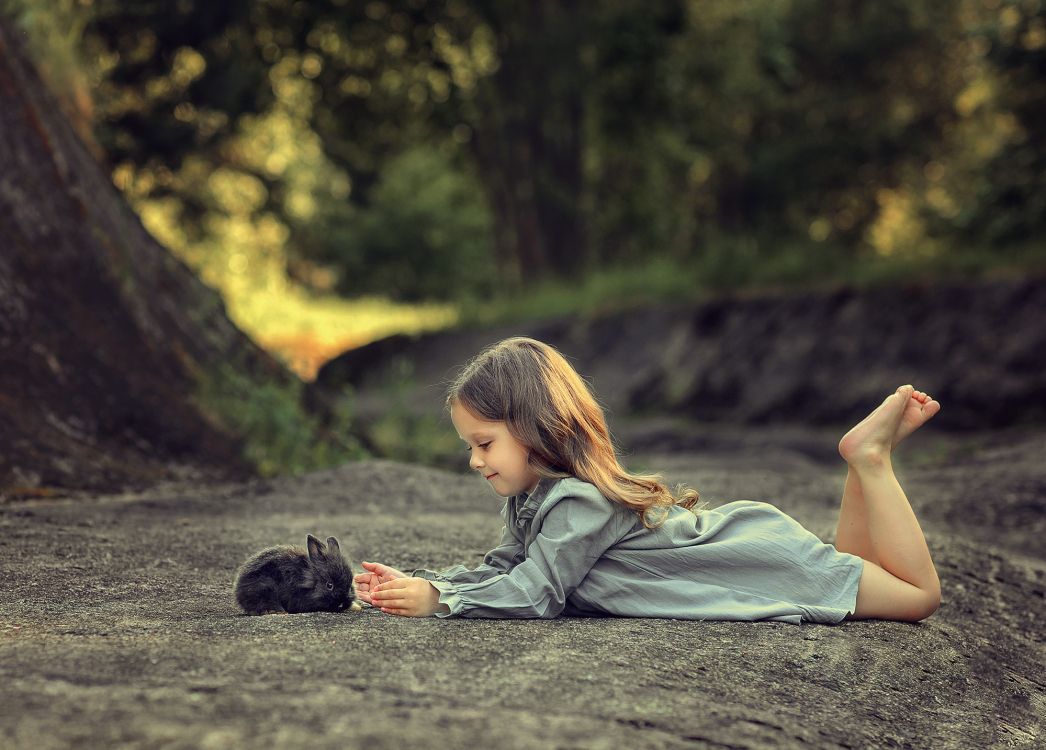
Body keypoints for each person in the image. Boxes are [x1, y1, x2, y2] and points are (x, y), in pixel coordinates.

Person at [355, 337, 942, 624]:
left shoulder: (577, 503)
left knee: (917, 597)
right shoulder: (534, 498)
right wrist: (424, 584)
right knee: (853, 567)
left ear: (538, 428)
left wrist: (440, 602)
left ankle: (870, 460)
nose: (476, 461)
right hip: (754, 554)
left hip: (755, 563)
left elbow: (538, 593)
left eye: (485, 444)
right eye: (470, 447)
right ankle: (859, 461)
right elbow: (505, 570)